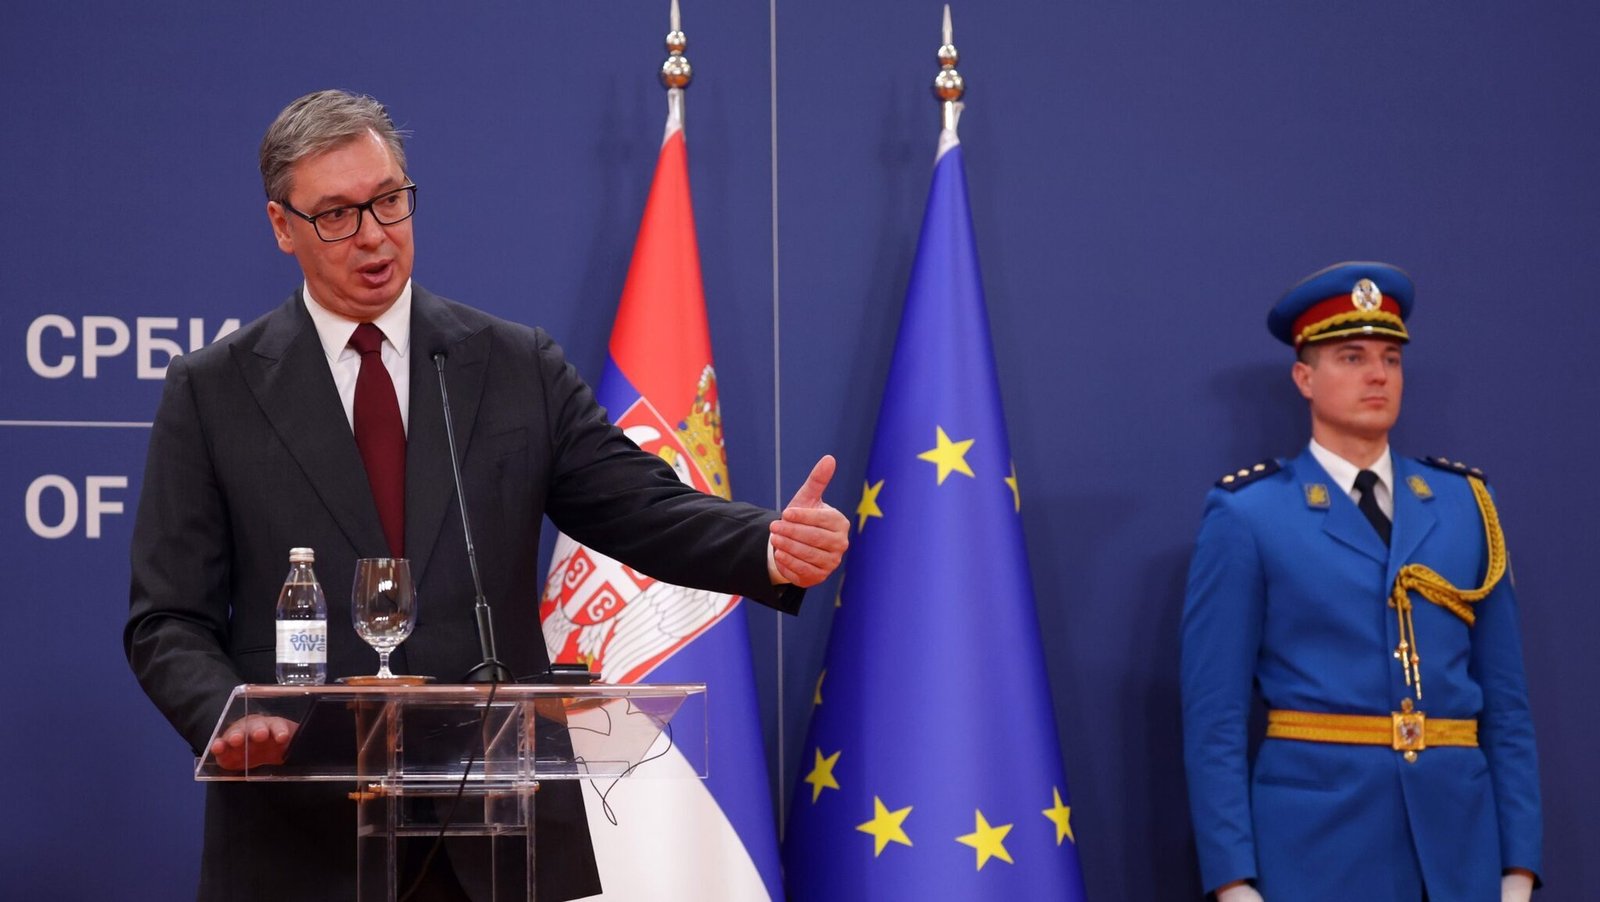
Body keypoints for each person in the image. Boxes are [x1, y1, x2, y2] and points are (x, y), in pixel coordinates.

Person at [124, 89, 849, 902]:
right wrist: (228, 717)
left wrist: (766, 544)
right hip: (300, 836)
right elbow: (167, 618)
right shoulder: (214, 392)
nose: (374, 234)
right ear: (281, 226)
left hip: (498, 834)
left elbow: (639, 504)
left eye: (389, 201)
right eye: (336, 215)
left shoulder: (512, 365)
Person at [1179, 262, 1542, 901]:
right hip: (1317, 852)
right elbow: (1216, 717)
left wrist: (1518, 867)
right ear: (1304, 378)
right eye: (1352, 357)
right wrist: (1233, 882)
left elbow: (1506, 702)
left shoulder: (1465, 505)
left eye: (1390, 359)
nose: (1378, 375)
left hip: (1459, 853)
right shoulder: (1250, 514)